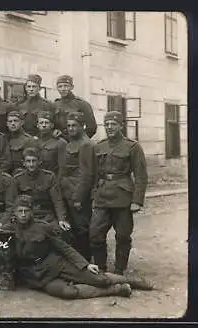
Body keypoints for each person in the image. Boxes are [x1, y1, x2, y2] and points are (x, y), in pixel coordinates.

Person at [12, 194, 153, 300]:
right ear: (14, 213)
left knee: (100, 280)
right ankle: (116, 290)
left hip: (55, 264)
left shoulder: (43, 227)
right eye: (20, 211)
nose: (23, 215)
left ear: (32, 211)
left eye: (26, 211)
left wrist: (85, 265)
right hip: (36, 276)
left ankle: (133, 281)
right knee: (68, 293)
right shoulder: (9, 231)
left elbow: (64, 248)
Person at [90, 111, 148, 275]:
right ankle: (101, 269)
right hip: (102, 197)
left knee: (122, 236)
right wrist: (93, 195)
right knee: (95, 234)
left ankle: (119, 270)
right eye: (106, 124)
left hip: (122, 197)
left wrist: (137, 200)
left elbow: (141, 175)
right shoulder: (99, 146)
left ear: (121, 126)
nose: (109, 127)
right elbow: (94, 174)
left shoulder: (132, 146)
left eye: (113, 124)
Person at [11, 147, 71, 239]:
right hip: (26, 216)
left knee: (59, 232)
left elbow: (57, 200)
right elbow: (14, 202)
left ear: (39, 162)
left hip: (46, 215)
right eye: (28, 161)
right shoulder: (18, 179)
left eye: (34, 161)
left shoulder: (49, 177)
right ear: (23, 163)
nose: (31, 164)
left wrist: (61, 219)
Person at [58, 112, 96, 261]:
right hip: (66, 191)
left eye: (74, 125)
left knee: (82, 229)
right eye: (68, 126)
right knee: (70, 228)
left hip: (78, 194)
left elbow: (87, 174)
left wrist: (78, 197)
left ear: (83, 126)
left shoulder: (86, 144)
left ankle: (85, 261)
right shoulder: (69, 143)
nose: (71, 128)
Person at [53, 75, 97, 139]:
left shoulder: (82, 104)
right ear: (57, 88)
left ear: (72, 87)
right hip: (60, 141)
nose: (63, 89)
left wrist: (80, 140)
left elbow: (92, 127)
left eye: (66, 86)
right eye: (60, 86)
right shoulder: (55, 105)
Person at [6, 110, 40, 176]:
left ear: (22, 122)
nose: (13, 123)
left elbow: (32, 162)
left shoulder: (29, 140)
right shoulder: (5, 138)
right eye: (10, 121)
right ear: (7, 124)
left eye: (15, 121)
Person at [36, 110, 67, 175]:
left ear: (52, 125)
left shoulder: (60, 143)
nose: (44, 125)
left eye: (46, 123)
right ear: (37, 125)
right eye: (41, 123)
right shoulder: (34, 141)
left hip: (53, 179)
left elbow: (62, 168)